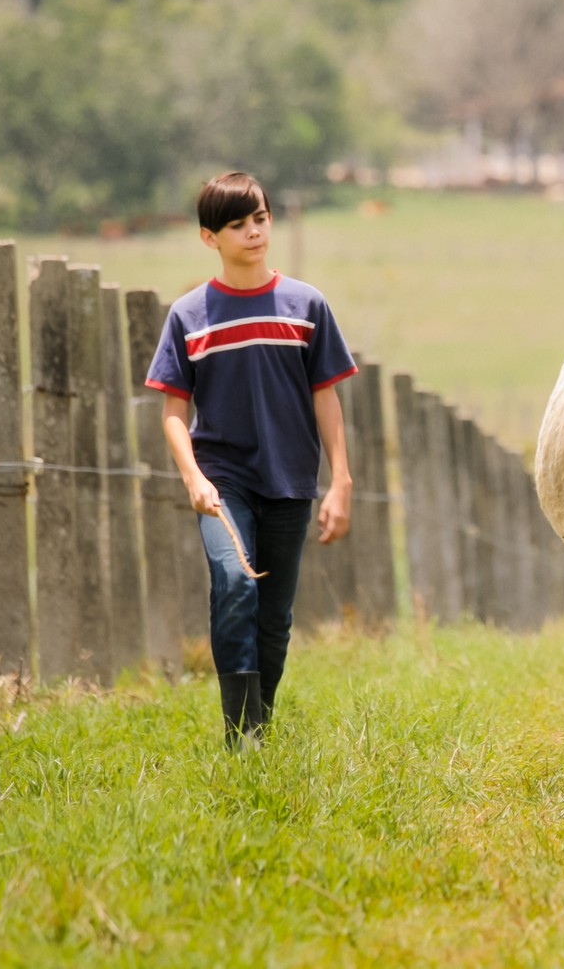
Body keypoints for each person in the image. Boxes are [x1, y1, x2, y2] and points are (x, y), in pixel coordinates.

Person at [147, 171, 357, 749]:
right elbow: (172, 410)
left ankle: (256, 729)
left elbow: (326, 397)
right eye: (237, 225)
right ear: (209, 237)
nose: (254, 232)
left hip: (291, 480)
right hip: (223, 482)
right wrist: (194, 478)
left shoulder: (307, 305)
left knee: (274, 617)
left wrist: (340, 481)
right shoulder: (190, 315)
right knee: (236, 583)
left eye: (260, 218)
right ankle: (240, 738)